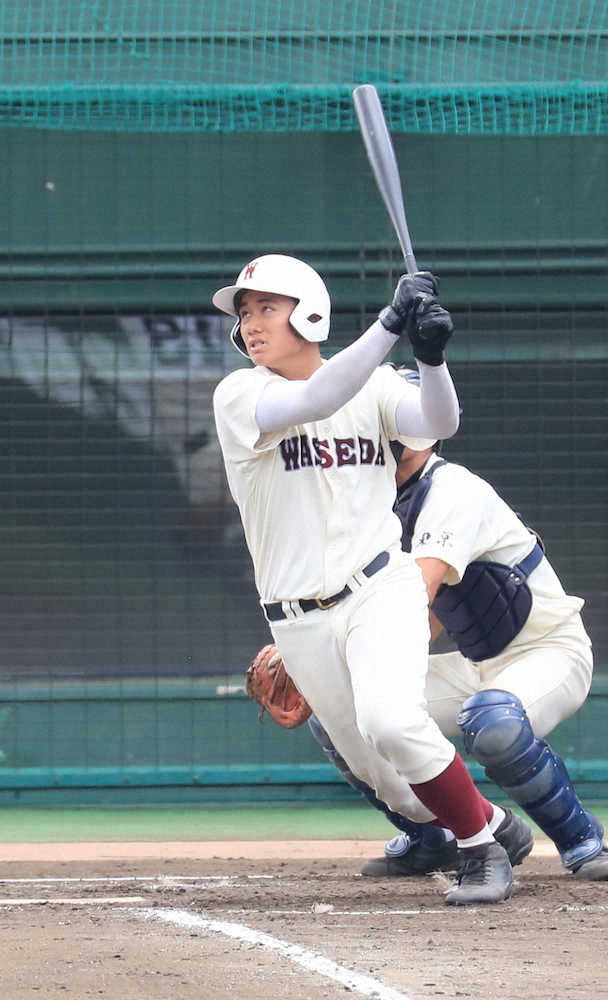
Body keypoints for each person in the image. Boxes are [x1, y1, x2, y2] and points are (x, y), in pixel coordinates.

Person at [212, 253, 526, 905]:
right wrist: (391, 322)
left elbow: (440, 424)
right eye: (245, 312)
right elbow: (318, 396)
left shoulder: (378, 386)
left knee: (391, 719)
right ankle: (490, 820)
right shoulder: (242, 395)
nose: (251, 324)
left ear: (310, 314)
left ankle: (481, 850)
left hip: (382, 589)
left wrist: (432, 357)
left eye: (267, 307)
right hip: (297, 617)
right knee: (388, 780)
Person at [309, 367, 608, 881]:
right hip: (478, 665)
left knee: (493, 723)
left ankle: (580, 838)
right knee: (338, 712)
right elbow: (412, 617)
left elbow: (416, 595)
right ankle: (434, 836)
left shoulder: (453, 488)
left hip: (549, 651)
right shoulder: (374, 508)